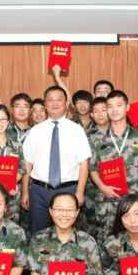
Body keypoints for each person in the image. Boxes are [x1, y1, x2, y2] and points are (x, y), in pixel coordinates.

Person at [89, 90, 138, 243]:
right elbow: (92, 168)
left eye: (119, 105)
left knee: (134, 243)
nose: (114, 110)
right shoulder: (96, 138)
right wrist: (103, 187)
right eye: (110, 106)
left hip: (133, 201)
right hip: (107, 201)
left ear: (127, 107)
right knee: (106, 242)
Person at [21, 86, 92, 235]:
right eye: (50, 100)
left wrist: (80, 192)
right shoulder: (35, 131)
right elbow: (27, 164)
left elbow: (84, 164)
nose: (55, 103)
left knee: (67, 234)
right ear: (45, 104)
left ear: (66, 103)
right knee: (38, 235)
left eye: (59, 99)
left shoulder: (77, 130)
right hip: (39, 192)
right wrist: (25, 191)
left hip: (68, 190)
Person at [81, 97, 110, 239]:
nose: (100, 114)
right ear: (91, 114)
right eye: (96, 111)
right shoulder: (84, 135)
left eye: (104, 110)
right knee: (89, 227)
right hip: (89, 189)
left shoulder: (117, 133)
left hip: (112, 188)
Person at [0, 60, 33, 144]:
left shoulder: (35, 131)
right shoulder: (4, 125)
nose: (21, 110)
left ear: (30, 110)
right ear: (11, 109)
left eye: (25, 106)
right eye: (17, 106)